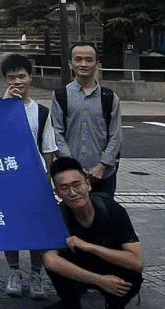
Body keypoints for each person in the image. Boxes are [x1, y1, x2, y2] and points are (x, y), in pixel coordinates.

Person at [40, 157, 144, 309]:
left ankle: (115, 307)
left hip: (109, 264)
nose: (72, 192)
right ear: (57, 193)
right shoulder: (56, 216)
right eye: (64, 188)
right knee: (54, 258)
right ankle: (70, 303)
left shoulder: (112, 210)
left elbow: (137, 262)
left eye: (76, 185)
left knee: (132, 274)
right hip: (82, 267)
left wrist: (90, 247)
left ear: (87, 184)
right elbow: (50, 260)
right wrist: (100, 281)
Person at [0, 54, 57, 301]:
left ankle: (36, 274)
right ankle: (14, 272)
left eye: (21, 76)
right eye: (11, 77)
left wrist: (47, 179)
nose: (17, 82)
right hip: (7, 179)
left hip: (35, 180)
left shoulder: (41, 112)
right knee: (9, 228)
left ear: (30, 78)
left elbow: (48, 149)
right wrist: (4, 105)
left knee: (37, 230)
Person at [51, 42, 123, 195]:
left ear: (97, 64)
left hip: (103, 175)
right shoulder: (60, 95)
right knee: (73, 210)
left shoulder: (109, 97)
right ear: (70, 64)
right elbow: (57, 132)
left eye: (89, 60)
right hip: (71, 175)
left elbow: (116, 135)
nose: (83, 64)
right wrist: (72, 166)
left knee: (103, 209)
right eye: (78, 59)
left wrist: (102, 165)